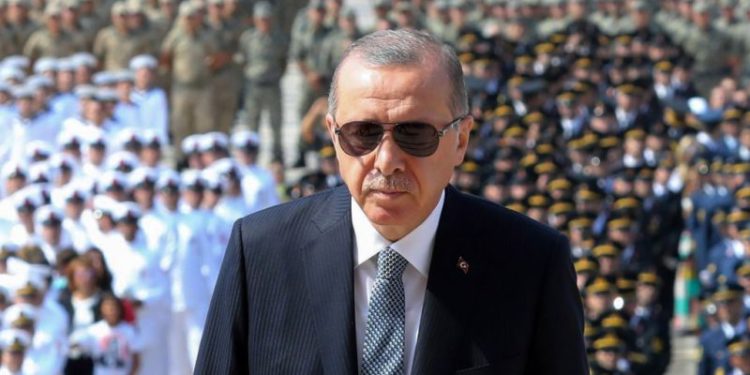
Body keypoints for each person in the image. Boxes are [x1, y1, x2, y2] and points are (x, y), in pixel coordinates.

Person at [196, 29, 587, 374]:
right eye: (362, 133)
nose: (386, 160)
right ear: (333, 135)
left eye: (414, 134)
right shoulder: (262, 253)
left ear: (461, 140)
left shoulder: (530, 263)